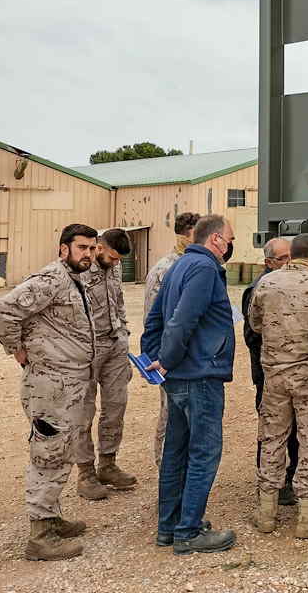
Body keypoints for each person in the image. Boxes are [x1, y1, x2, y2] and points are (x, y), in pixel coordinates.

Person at [0, 223, 99, 561]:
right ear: (63, 249)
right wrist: (18, 351)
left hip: (69, 384)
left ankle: (51, 518)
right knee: (48, 454)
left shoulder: (74, 279)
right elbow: (4, 310)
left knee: (62, 450)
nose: (88, 254)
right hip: (50, 385)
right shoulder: (51, 279)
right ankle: (40, 536)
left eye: (92, 248)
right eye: (81, 247)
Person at [141, 214, 237, 556]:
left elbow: (155, 317)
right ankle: (189, 532)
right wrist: (164, 359)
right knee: (203, 453)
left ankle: (169, 528)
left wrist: (152, 356)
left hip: (178, 376)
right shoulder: (204, 269)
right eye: (229, 239)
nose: (230, 246)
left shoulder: (179, 265)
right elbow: (183, 318)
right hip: (200, 375)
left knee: (175, 452)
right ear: (215, 240)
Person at [248, 234, 308, 539]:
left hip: (275, 377)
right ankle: (307, 517)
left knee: (272, 438)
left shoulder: (266, 284)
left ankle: (266, 513)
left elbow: (256, 325)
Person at [75, 228, 136, 500]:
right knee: (83, 412)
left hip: (115, 346)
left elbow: (119, 303)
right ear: (99, 247)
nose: (116, 262)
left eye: (119, 259)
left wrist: (124, 335)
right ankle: (86, 474)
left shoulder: (114, 268)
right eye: (112, 256)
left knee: (115, 407)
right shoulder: (78, 270)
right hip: (86, 350)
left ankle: (108, 464)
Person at [241, 237, 299, 506]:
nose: (290, 263)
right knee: (272, 431)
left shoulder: (295, 286)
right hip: (269, 374)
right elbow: (253, 336)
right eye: (284, 258)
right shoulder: (258, 289)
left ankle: (291, 479)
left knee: (298, 430)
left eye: (292, 256)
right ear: (269, 262)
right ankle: (269, 485)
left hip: (292, 373)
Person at [144, 211, 200, 467]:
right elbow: (154, 320)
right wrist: (162, 357)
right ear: (189, 234)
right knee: (170, 415)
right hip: (170, 358)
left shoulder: (192, 263)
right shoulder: (168, 268)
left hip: (187, 356)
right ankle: (166, 471)